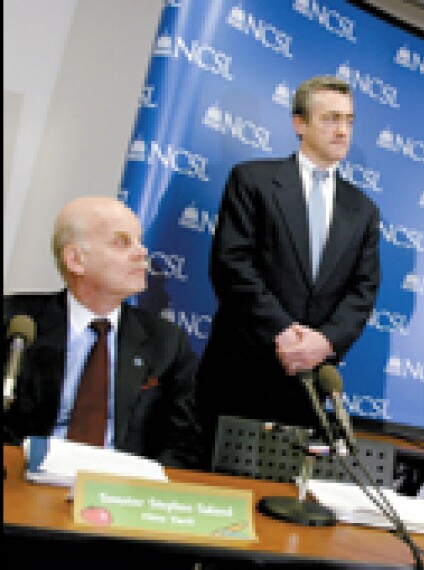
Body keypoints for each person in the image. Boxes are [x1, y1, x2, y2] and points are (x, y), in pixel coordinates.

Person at [195, 76, 381, 468]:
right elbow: (232, 264)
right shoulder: (253, 181)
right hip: (241, 373)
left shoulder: (363, 210)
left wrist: (323, 342)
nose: (343, 130)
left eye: (349, 120)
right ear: (300, 123)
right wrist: (283, 332)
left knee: (287, 496)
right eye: (331, 118)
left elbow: (363, 292)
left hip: (307, 388)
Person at [3, 195, 200, 468]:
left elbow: (183, 443)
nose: (142, 253)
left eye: (139, 241)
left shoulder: (166, 341)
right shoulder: (15, 322)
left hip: (123, 485)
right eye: (122, 242)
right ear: (75, 259)